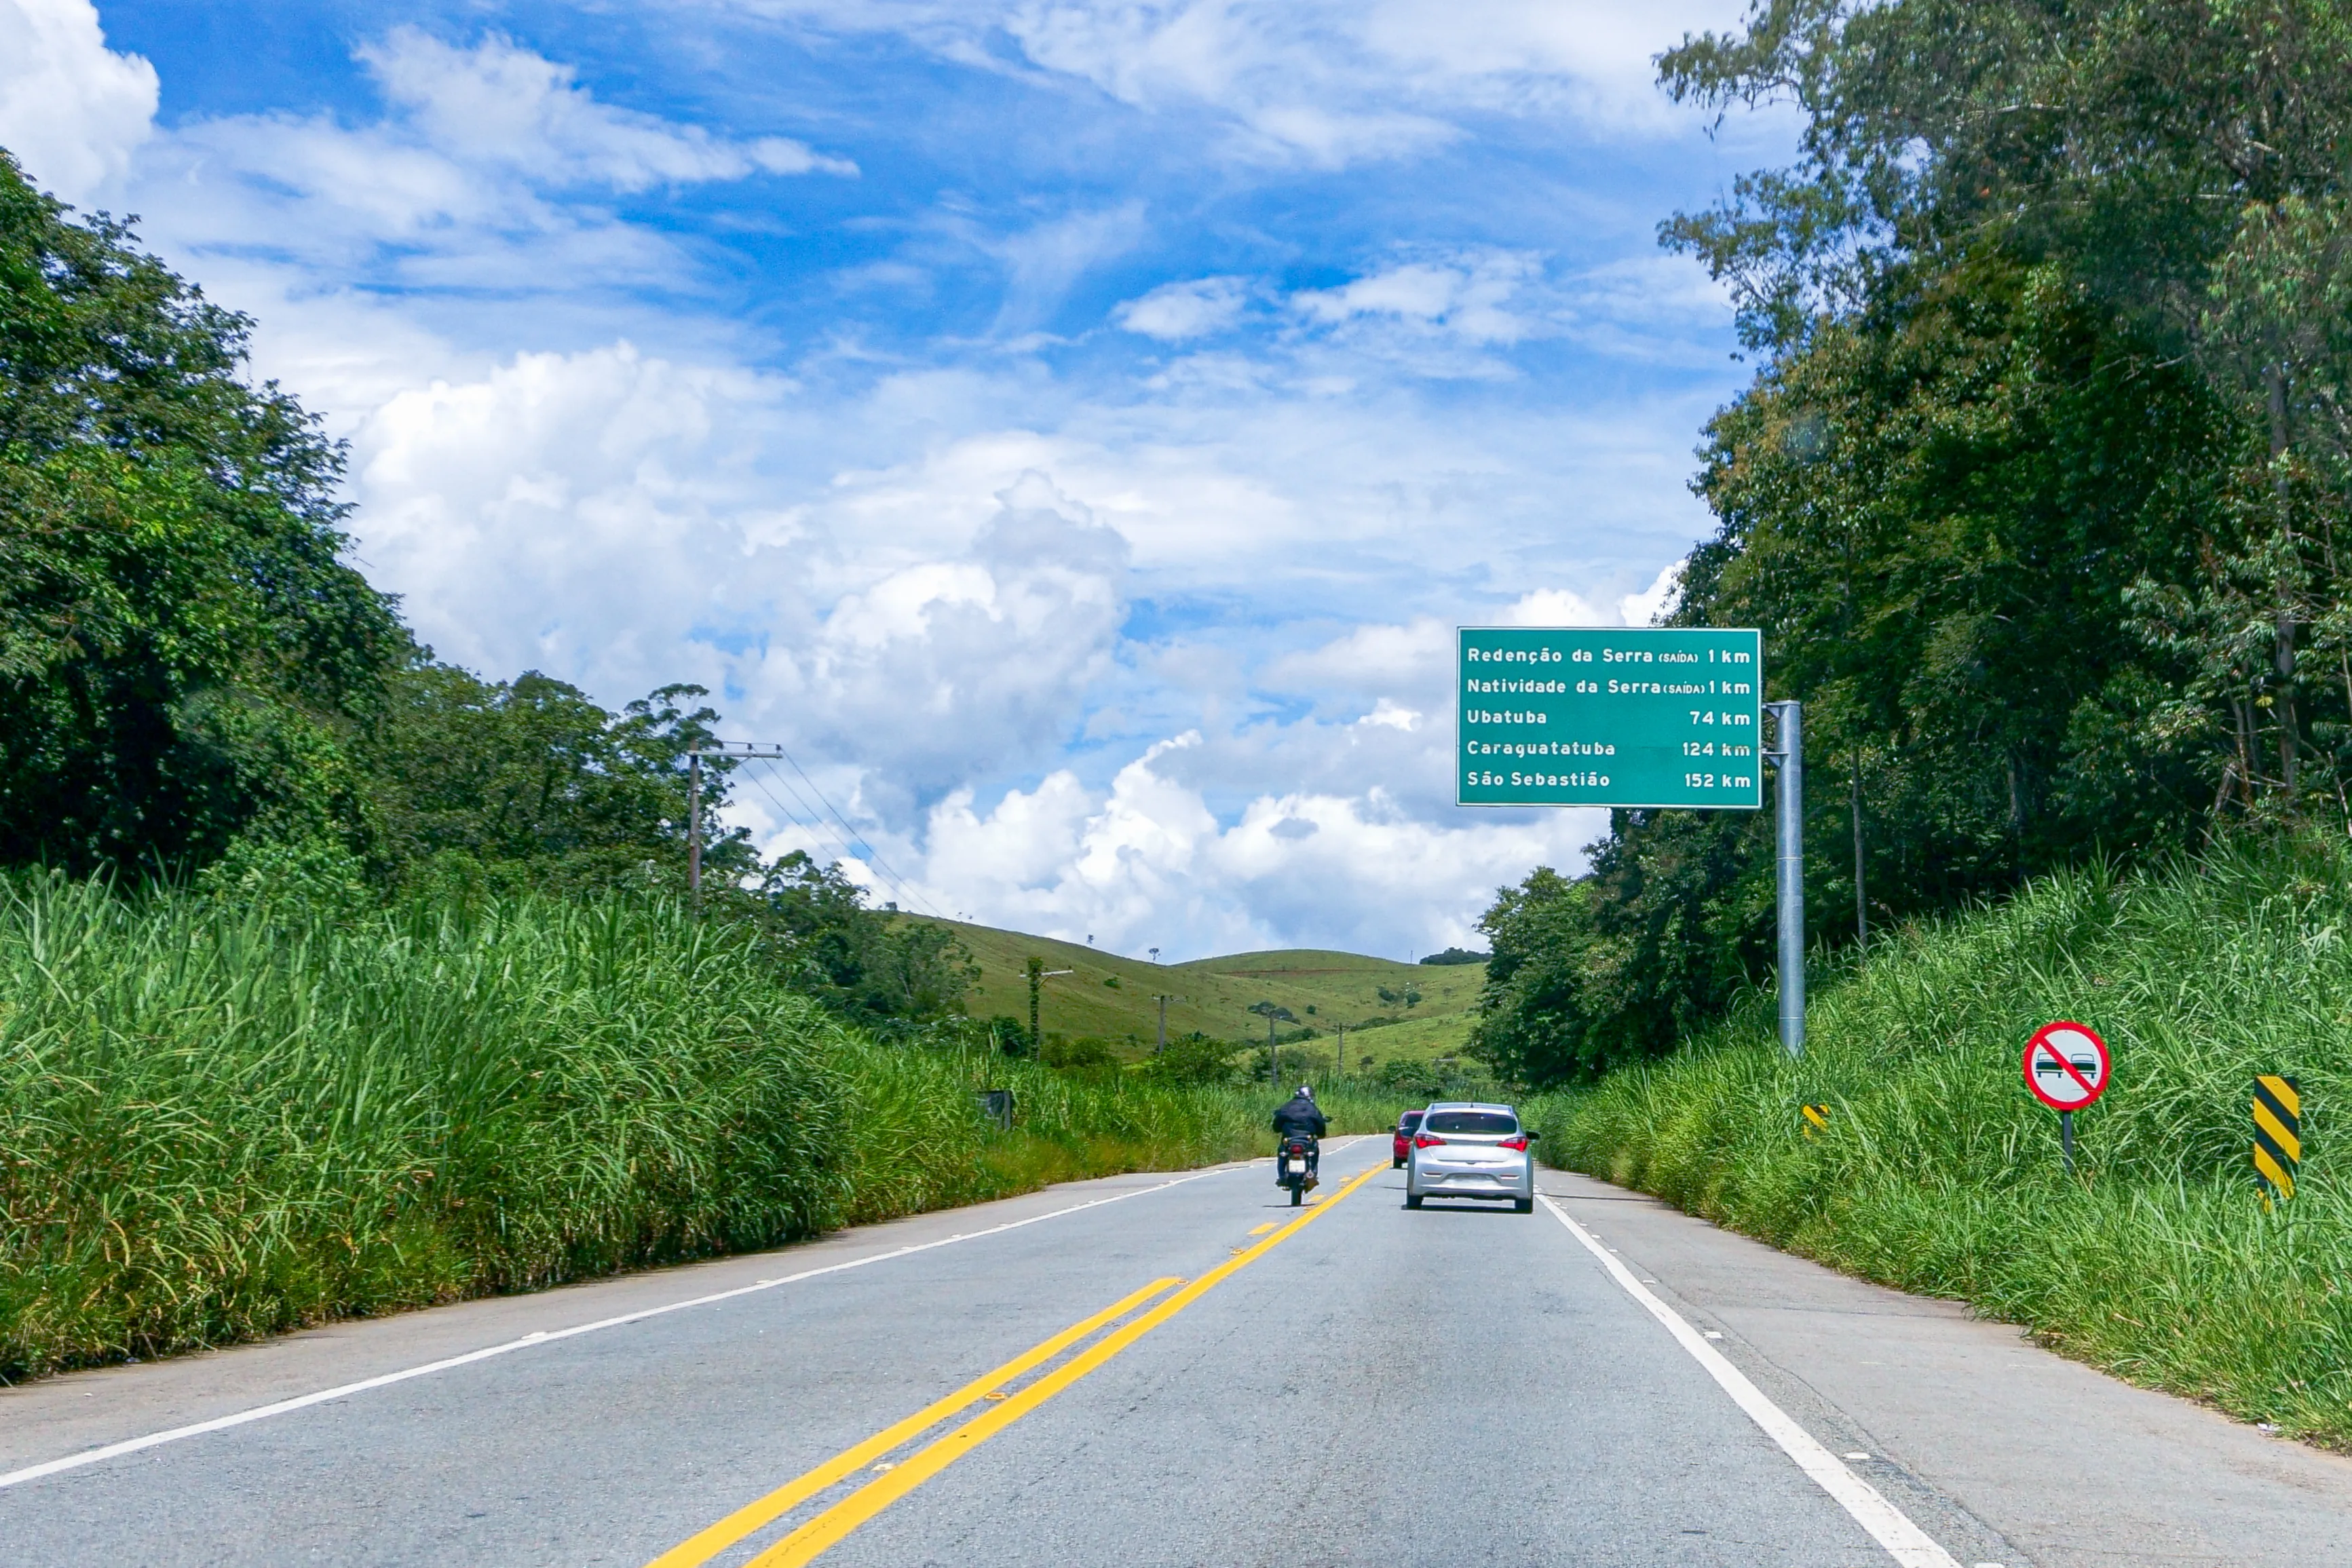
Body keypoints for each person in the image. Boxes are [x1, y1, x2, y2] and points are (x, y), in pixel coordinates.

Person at [1271, 1085, 1327, 1183]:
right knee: (1314, 1152)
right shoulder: (1312, 1108)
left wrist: (1278, 1129)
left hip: (1289, 1139)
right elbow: (1320, 1123)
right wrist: (1321, 1134)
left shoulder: (1287, 1106)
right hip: (1307, 1139)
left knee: (1282, 1153)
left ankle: (1282, 1176)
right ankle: (1312, 1172)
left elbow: (1277, 1124)